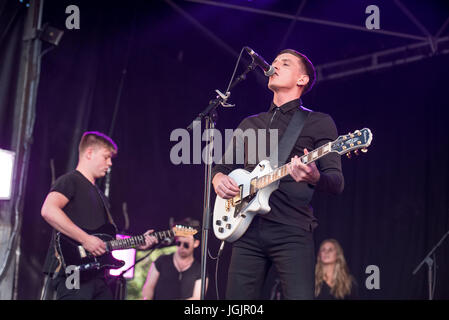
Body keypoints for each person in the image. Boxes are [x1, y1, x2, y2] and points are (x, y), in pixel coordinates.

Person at [211, 49, 344, 299]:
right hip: (246, 228)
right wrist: (218, 179)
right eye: (273, 62)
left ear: (302, 80)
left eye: (285, 63)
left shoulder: (318, 122)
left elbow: (336, 182)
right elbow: (222, 168)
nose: (274, 66)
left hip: (291, 229)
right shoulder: (249, 124)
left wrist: (315, 177)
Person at [41, 131, 158, 300]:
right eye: (106, 157)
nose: (109, 163)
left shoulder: (100, 196)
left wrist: (138, 243)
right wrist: (85, 239)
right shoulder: (70, 180)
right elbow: (48, 210)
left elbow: (104, 241)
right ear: (89, 153)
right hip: (73, 271)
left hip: (97, 275)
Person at [141, 218, 207, 300]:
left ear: (196, 243)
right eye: (178, 243)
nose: (181, 247)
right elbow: (148, 288)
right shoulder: (161, 261)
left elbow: (197, 298)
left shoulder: (200, 270)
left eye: (186, 245)